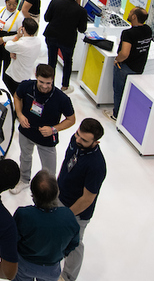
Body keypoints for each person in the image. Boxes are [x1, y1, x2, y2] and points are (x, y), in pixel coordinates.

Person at [11, 64, 76, 194]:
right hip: (26, 131)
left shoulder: (62, 99)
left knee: (49, 169)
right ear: (36, 76)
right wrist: (20, 114)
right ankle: (24, 180)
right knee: (25, 157)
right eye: (41, 82)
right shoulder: (26, 86)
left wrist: (53, 129)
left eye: (48, 83)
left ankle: (49, 192)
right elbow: (17, 97)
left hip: (46, 138)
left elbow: (71, 119)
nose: (45, 86)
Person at [57, 119, 107, 281]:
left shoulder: (96, 165)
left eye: (84, 140)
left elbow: (87, 199)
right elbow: (66, 164)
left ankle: (69, 276)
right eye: (78, 134)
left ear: (96, 142)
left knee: (75, 244)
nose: (78, 140)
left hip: (77, 211)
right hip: (60, 198)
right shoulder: (75, 140)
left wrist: (68, 215)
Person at [12, 170, 80, 281]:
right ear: (57, 192)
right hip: (51, 267)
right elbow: (74, 243)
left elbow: (13, 239)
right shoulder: (68, 217)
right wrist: (61, 253)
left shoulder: (24, 215)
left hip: (25, 264)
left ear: (33, 194)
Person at [106, 7, 153, 121]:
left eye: (131, 12)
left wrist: (117, 59)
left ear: (134, 17)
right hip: (139, 67)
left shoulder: (128, 33)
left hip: (125, 67)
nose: (129, 12)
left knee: (119, 91)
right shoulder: (148, 30)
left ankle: (116, 114)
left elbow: (125, 53)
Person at [42, 0, 87, 93]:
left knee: (51, 61)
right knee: (67, 62)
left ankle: (49, 84)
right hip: (68, 39)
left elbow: (47, 18)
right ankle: (65, 86)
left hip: (52, 35)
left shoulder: (55, 2)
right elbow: (82, 29)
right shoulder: (81, 11)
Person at [0, 17, 42, 94]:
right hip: (27, 75)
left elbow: (8, 45)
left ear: (23, 29)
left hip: (15, 76)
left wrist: (17, 36)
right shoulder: (38, 41)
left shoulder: (21, 44)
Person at [0, 0, 24, 77]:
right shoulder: (0, 10)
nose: (11, 7)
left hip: (9, 41)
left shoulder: (19, 17)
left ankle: (5, 85)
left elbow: (19, 34)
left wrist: (3, 39)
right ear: (6, 3)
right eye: (9, 4)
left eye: (14, 5)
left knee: (7, 63)